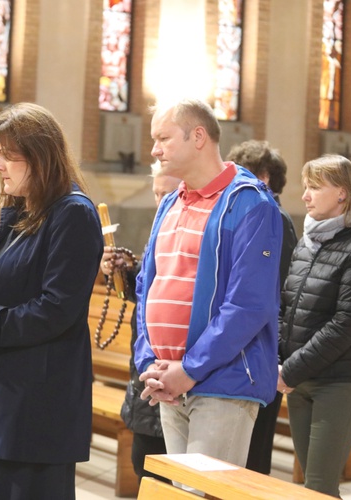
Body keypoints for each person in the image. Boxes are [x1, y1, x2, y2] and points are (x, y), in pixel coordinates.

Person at [0, 103, 103, 499]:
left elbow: (58, 308)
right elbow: (0, 288)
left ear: (40, 155)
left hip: (36, 399)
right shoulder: (18, 208)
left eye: (7, 155)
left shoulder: (73, 213)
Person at [136, 98, 283, 469]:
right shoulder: (170, 202)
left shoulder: (250, 203)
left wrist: (188, 370)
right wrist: (150, 362)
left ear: (198, 136)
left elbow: (249, 305)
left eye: (163, 138)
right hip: (168, 378)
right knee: (182, 494)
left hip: (223, 381)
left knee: (206, 493)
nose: (154, 149)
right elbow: (147, 286)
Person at [278, 155, 351, 497]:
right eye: (306, 187)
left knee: (319, 486)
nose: (305, 196)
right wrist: (279, 359)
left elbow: (349, 323)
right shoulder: (307, 242)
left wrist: (290, 369)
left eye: (315, 188)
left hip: (339, 381)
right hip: (300, 379)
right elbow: (287, 306)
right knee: (311, 487)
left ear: (342, 193)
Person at [103, 161, 181, 484]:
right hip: (146, 370)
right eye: (156, 193)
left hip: (171, 373)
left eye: (168, 193)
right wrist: (126, 271)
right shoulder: (160, 229)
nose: (160, 201)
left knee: (164, 473)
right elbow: (151, 293)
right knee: (144, 465)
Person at [226, 139, 299, 474]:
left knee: (253, 459)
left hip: (262, 348)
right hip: (244, 346)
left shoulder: (274, 218)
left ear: (265, 177)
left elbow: (272, 290)